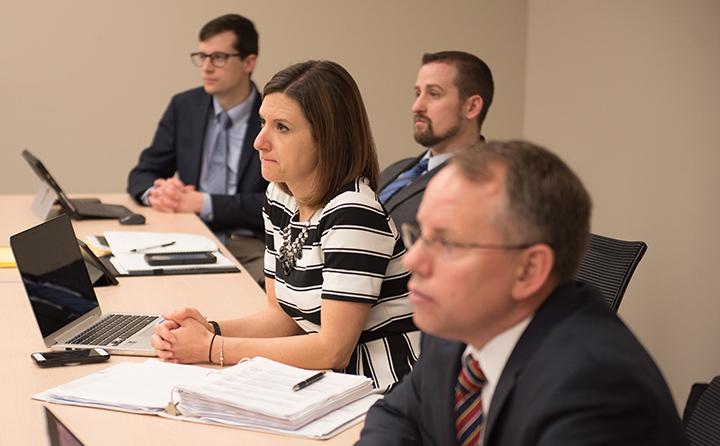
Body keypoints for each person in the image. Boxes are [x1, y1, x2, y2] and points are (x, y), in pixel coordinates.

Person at [357, 141, 687, 445]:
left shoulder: (597, 390)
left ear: (529, 270)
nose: (413, 260)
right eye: (419, 234)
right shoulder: (456, 330)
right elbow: (396, 416)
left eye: (445, 243)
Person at [151, 60, 420, 392]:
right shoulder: (281, 196)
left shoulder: (354, 211)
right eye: (263, 122)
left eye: (282, 127)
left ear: (326, 138)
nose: (259, 141)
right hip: (320, 381)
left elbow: (332, 349)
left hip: (379, 387)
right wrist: (209, 330)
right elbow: (283, 318)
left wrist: (210, 348)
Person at [127, 14, 268, 281]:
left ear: (249, 62)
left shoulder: (271, 115)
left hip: (248, 244)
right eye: (201, 57)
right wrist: (158, 193)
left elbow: (280, 200)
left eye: (218, 57)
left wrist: (204, 203)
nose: (206, 67)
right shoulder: (184, 107)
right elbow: (142, 173)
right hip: (185, 235)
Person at [378, 51, 493, 230]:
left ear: (471, 107)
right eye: (418, 93)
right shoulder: (395, 170)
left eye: (433, 94)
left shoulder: (482, 183)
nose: (416, 107)